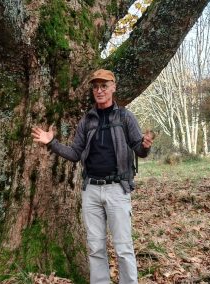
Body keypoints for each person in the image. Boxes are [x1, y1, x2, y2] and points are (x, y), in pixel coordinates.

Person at [31, 69, 154, 284]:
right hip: (91, 191)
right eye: (96, 87)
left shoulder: (125, 116)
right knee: (95, 247)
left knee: (123, 247)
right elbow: (75, 154)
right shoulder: (87, 120)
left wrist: (145, 146)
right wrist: (52, 142)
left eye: (104, 86)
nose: (99, 91)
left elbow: (138, 149)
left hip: (118, 188)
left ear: (113, 87)